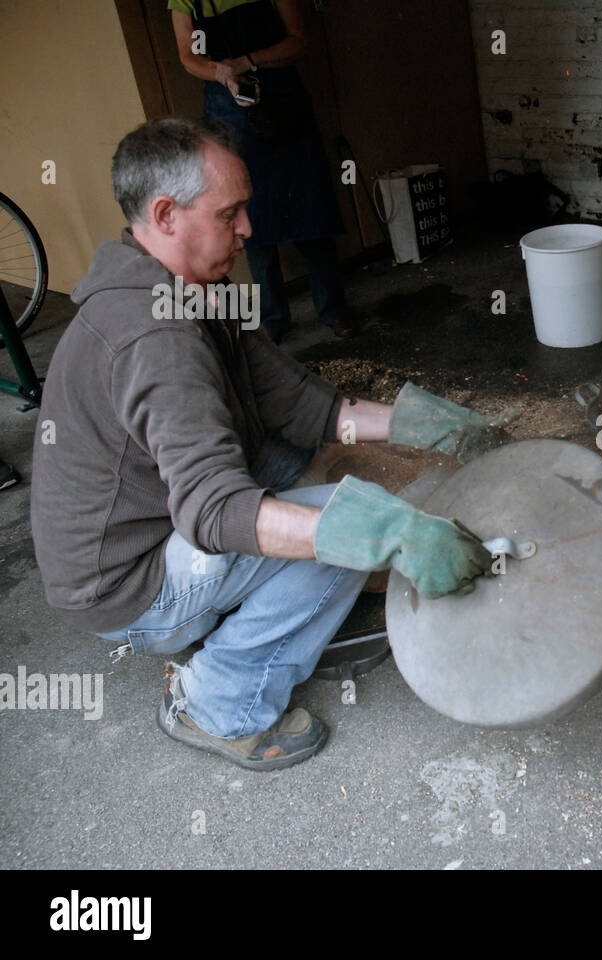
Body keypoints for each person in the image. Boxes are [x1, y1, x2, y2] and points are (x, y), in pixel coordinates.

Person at [30, 117, 509, 770]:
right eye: (231, 214)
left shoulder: (190, 291)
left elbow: (297, 401)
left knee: (304, 483)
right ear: (166, 214)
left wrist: (414, 424)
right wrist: (386, 534)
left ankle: (277, 597)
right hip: (127, 584)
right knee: (344, 523)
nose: (250, 229)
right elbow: (214, 511)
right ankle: (219, 701)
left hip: (151, 529)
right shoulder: (154, 336)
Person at [169, 0, 358, 341]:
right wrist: (221, 72)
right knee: (248, 216)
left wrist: (248, 61)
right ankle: (273, 318)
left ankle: (334, 309)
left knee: (310, 207)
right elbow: (187, 55)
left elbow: (298, 38)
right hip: (229, 107)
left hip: (284, 99)